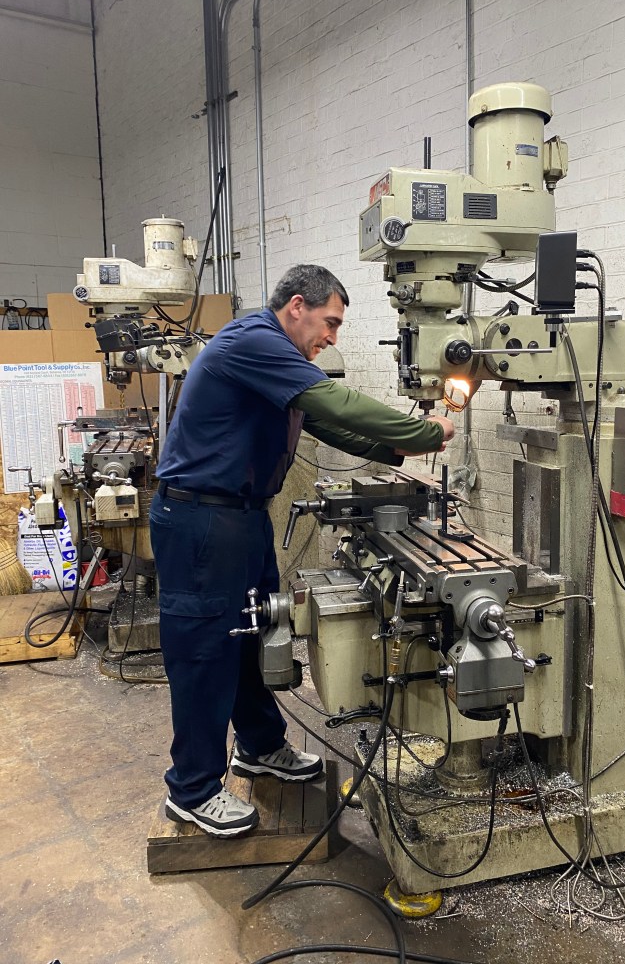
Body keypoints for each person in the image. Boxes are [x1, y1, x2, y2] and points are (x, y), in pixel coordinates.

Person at [150, 264, 454, 837]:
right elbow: (337, 404)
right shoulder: (255, 341)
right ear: (297, 306)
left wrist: (396, 452)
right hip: (200, 521)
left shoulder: (279, 363)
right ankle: (190, 789)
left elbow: (327, 425)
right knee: (204, 650)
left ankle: (260, 747)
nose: (332, 336)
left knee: (256, 633)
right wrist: (424, 433)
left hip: (241, 517)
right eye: (330, 322)